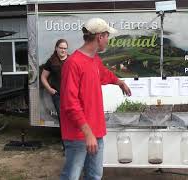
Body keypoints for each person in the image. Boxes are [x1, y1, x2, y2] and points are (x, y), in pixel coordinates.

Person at [60, 18, 131, 180]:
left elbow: (104, 74)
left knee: (94, 176)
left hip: (95, 132)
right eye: (107, 36)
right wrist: (87, 133)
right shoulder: (73, 63)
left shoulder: (94, 60)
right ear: (100, 37)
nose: (108, 40)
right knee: (72, 176)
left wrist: (119, 82)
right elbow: (70, 104)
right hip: (79, 134)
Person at [41, 39, 68, 150]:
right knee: (63, 120)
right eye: (61, 47)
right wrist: (50, 89)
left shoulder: (71, 59)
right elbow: (43, 77)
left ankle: (74, 146)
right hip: (58, 96)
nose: (63, 50)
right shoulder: (51, 61)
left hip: (71, 95)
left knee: (73, 119)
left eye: (65, 48)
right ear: (56, 48)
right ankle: (66, 147)